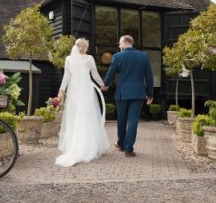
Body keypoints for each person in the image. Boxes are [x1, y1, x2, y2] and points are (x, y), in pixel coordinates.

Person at [55, 38, 110, 167]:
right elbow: (95, 74)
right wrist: (103, 85)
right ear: (84, 47)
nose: (87, 48)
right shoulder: (89, 58)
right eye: (87, 46)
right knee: (88, 116)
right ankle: (89, 145)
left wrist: (61, 91)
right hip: (86, 89)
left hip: (74, 90)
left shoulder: (69, 59)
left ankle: (76, 145)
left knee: (75, 116)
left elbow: (66, 77)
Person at [102, 35, 153, 157]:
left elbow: (111, 73)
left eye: (120, 44)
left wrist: (105, 84)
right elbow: (149, 77)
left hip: (122, 94)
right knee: (133, 120)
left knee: (122, 119)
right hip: (138, 94)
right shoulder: (143, 56)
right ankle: (129, 149)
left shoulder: (117, 56)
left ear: (125, 43)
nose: (119, 46)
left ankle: (121, 143)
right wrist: (150, 94)